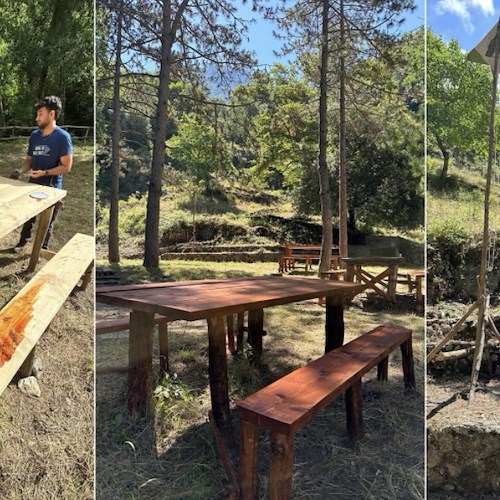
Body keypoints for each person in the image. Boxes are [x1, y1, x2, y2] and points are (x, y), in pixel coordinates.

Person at [10, 96, 73, 252]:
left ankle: (42, 248)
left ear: (52, 114)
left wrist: (45, 172)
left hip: (52, 187)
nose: (36, 118)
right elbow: (29, 160)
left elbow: (66, 166)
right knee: (28, 216)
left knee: (48, 220)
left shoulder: (63, 138)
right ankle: (23, 241)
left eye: (40, 114)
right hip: (33, 183)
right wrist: (20, 170)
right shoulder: (34, 136)